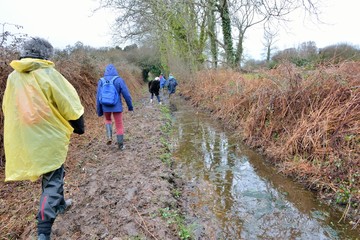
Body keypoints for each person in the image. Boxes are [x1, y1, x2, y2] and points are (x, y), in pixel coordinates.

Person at [2, 37, 85, 240]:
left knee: (54, 172)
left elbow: (9, 107)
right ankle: (43, 232)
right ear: (46, 54)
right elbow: (69, 103)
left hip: (26, 136)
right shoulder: (48, 73)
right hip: (49, 134)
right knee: (53, 179)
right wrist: (79, 126)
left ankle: (62, 204)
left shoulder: (14, 77)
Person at [96, 64, 133, 150]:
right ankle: (120, 145)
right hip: (117, 107)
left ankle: (109, 137)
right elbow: (126, 95)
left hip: (105, 107)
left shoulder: (101, 81)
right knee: (119, 125)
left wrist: (99, 110)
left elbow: (98, 97)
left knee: (108, 120)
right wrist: (130, 106)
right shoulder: (118, 80)